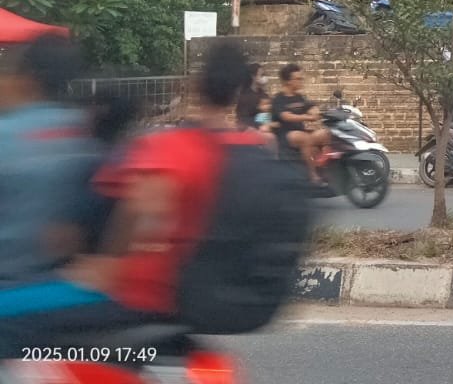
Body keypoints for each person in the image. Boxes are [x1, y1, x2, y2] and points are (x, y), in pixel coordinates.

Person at [0, 41, 266, 357]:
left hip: (36, 291)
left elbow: (139, 207)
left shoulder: (11, 135)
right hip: (103, 290)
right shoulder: (88, 133)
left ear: (27, 78)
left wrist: (108, 259)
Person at [0, 34, 98, 287]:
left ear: (27, 79)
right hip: (64, 281)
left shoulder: (6, 134)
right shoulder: (84, 132)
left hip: (11, 281)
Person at [271, 63, 330, 185]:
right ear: (288, 81)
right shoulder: (278, 99)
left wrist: (315, 111)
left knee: (326, 134)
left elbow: (310, 107)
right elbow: (286, 116)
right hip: (285, 135)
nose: (301, 81)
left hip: (302, 133)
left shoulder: (299, 97)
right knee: (304, 138)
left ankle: (324, 168)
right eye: (298, 79)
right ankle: (312, 175)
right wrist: (307, 117)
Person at [235, 62, 270, 133]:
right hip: (249, 132)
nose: (264, 78)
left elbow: (266, 117)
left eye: (264, 75)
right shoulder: (244, 96)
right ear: (253, 76)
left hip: (262, 131)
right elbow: (242, 120)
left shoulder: (264, 95)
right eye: (262, 75)